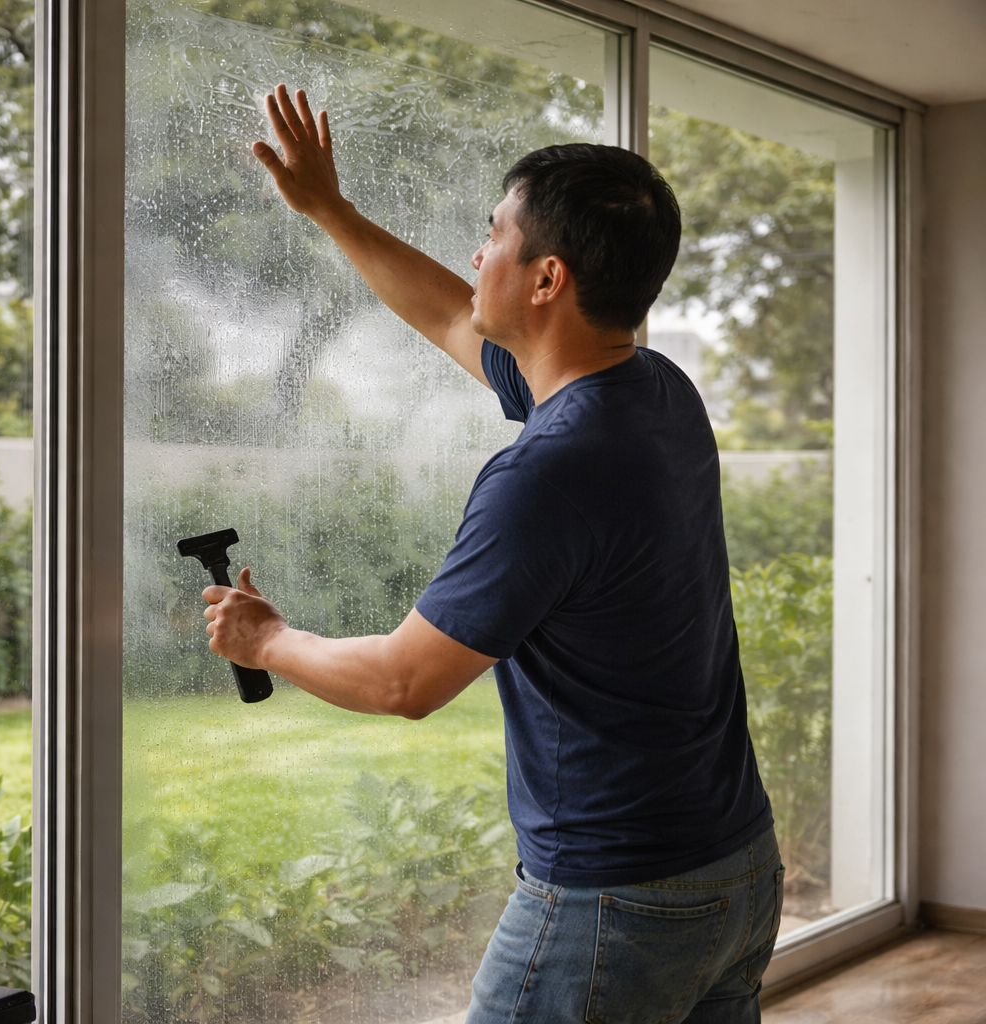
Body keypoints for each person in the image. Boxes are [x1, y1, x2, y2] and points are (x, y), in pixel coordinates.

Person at [203, 84, 783, 1023]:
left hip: (617, 901)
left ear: (546, 278)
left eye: (492, 235)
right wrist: (331, 211)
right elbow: (445, 315)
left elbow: (406, 682)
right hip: (735, 871)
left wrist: (265, 642)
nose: (476, 254)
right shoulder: (657, 392)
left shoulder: (545, 474)